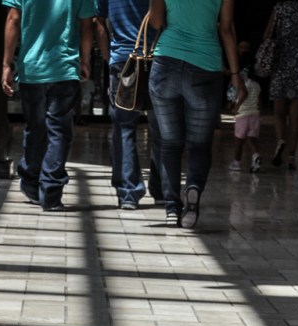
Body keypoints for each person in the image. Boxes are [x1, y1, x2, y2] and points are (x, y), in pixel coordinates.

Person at [147, 0, 247, 229]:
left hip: (166, 64)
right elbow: (226, 29)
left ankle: (172, 207)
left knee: (170, 143)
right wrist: (235, 74)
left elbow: (156, 21)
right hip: (205, 66)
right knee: (199, 144)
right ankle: (193, 189)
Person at [1, 0, 98, 212]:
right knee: (59, 132)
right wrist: (85, 60)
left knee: (35, 128)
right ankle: (51, 193)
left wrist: (7, 64)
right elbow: (87, 24)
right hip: (64, 68)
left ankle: (31, 183)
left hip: (32, 69)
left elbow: (13, 19)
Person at [95, 0, 164, 209]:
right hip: (157, 58)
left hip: (122, 58)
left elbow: (99, 22)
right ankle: (161, 189)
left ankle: (128, 192)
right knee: (161, 128)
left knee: (124, 128)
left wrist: (109, 58)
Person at [265, 0, 298, 171]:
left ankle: (281, 139)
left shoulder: (280, 8)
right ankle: (291, 156)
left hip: (281, 59)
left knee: (279, 110)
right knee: (295, 113)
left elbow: (267, 34)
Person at [228, 65, 262, 173]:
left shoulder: (242, 81)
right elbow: (259, 101)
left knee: (239, 141)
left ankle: (236, 163)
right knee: (251, 139)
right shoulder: (257, 85)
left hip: (243, 115)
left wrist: (236, 107)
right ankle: (256, 156)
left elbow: (243, 93)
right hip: (254, 115)